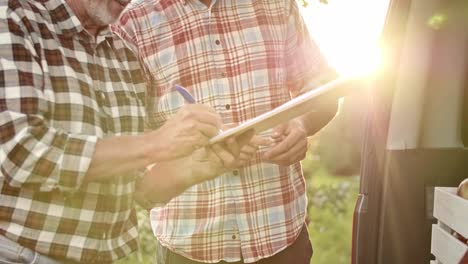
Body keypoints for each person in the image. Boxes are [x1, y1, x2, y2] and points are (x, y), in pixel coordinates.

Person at [0, 0, 250, 263]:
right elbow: (20, 151)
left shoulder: (124, 53)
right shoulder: (16, 16)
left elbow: (139, 191)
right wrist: (156, 143)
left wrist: (197, 167)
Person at [114, 0, 338, 263]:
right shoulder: (133, 23)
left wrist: (301, 123)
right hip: (188, 248)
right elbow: (126, 148)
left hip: (281, 240)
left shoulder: (276, 5)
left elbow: (324, 89)